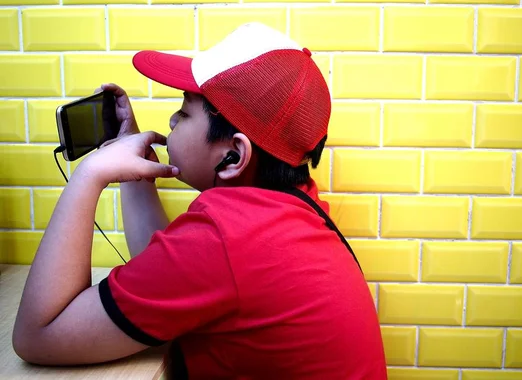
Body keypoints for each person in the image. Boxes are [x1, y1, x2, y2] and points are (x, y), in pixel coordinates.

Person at [13, 23, 387, 379]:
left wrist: (88, 175)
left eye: (185, 110)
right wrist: (135, 170)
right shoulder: (287, 208)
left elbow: (39, 335)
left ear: (234, 156)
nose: (172, 121)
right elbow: (167, 276)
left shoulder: (228, 235)